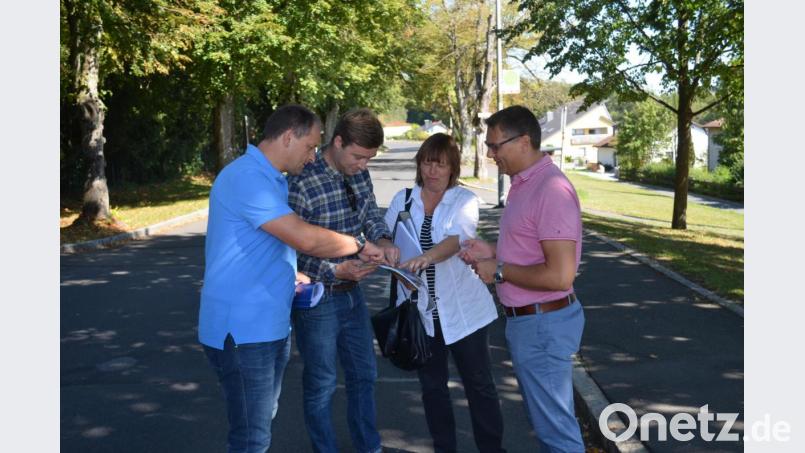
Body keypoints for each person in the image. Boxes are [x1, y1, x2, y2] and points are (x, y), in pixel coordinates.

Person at [198, 104, 385, 453]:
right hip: (242, 330)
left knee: (259, 427)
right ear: (288, 137)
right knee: (252, 438)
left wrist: (294, 271)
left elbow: (271, 247)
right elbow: (305, 239)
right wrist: (360, 245)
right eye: (311, 146)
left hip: (268, 326)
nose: (313, 155)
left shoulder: (270, 179)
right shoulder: (247, 179)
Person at [459, 105, 586, 453]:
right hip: (532, 322)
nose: (490, 153)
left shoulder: (551, 189)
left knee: (556, 433)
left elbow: (560, 275)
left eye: (495, 145)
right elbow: (531, 250)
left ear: (524, 141)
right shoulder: (524, 183)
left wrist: (499, 270)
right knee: (548, 426)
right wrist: (494, 251)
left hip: (543, 322)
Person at [384, 133, 506, 453]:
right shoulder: (404, 199)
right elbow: (387, 236)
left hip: (464, 313)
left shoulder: (462, 200)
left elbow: (458, 239)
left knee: (479, 386)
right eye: (427, 162)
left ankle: (492, 449)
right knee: (432, 388)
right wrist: (391, 256)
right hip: (421, 315)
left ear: (452, 168)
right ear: (419, 164)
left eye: (440, 164)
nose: (433, 171)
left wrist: (426, 258)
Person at [287, 108, 399, 453]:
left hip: (353, 295)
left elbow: (370, 214)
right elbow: (290, 246)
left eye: (369, 159)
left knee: (365, 375)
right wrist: (333, 270)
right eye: (358, 156)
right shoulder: (302, 179)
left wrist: (383, 241)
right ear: (337, 142)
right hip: (318, 298)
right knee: (322, 382)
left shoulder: (359, 174)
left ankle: (369, 446)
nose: (363, 165)